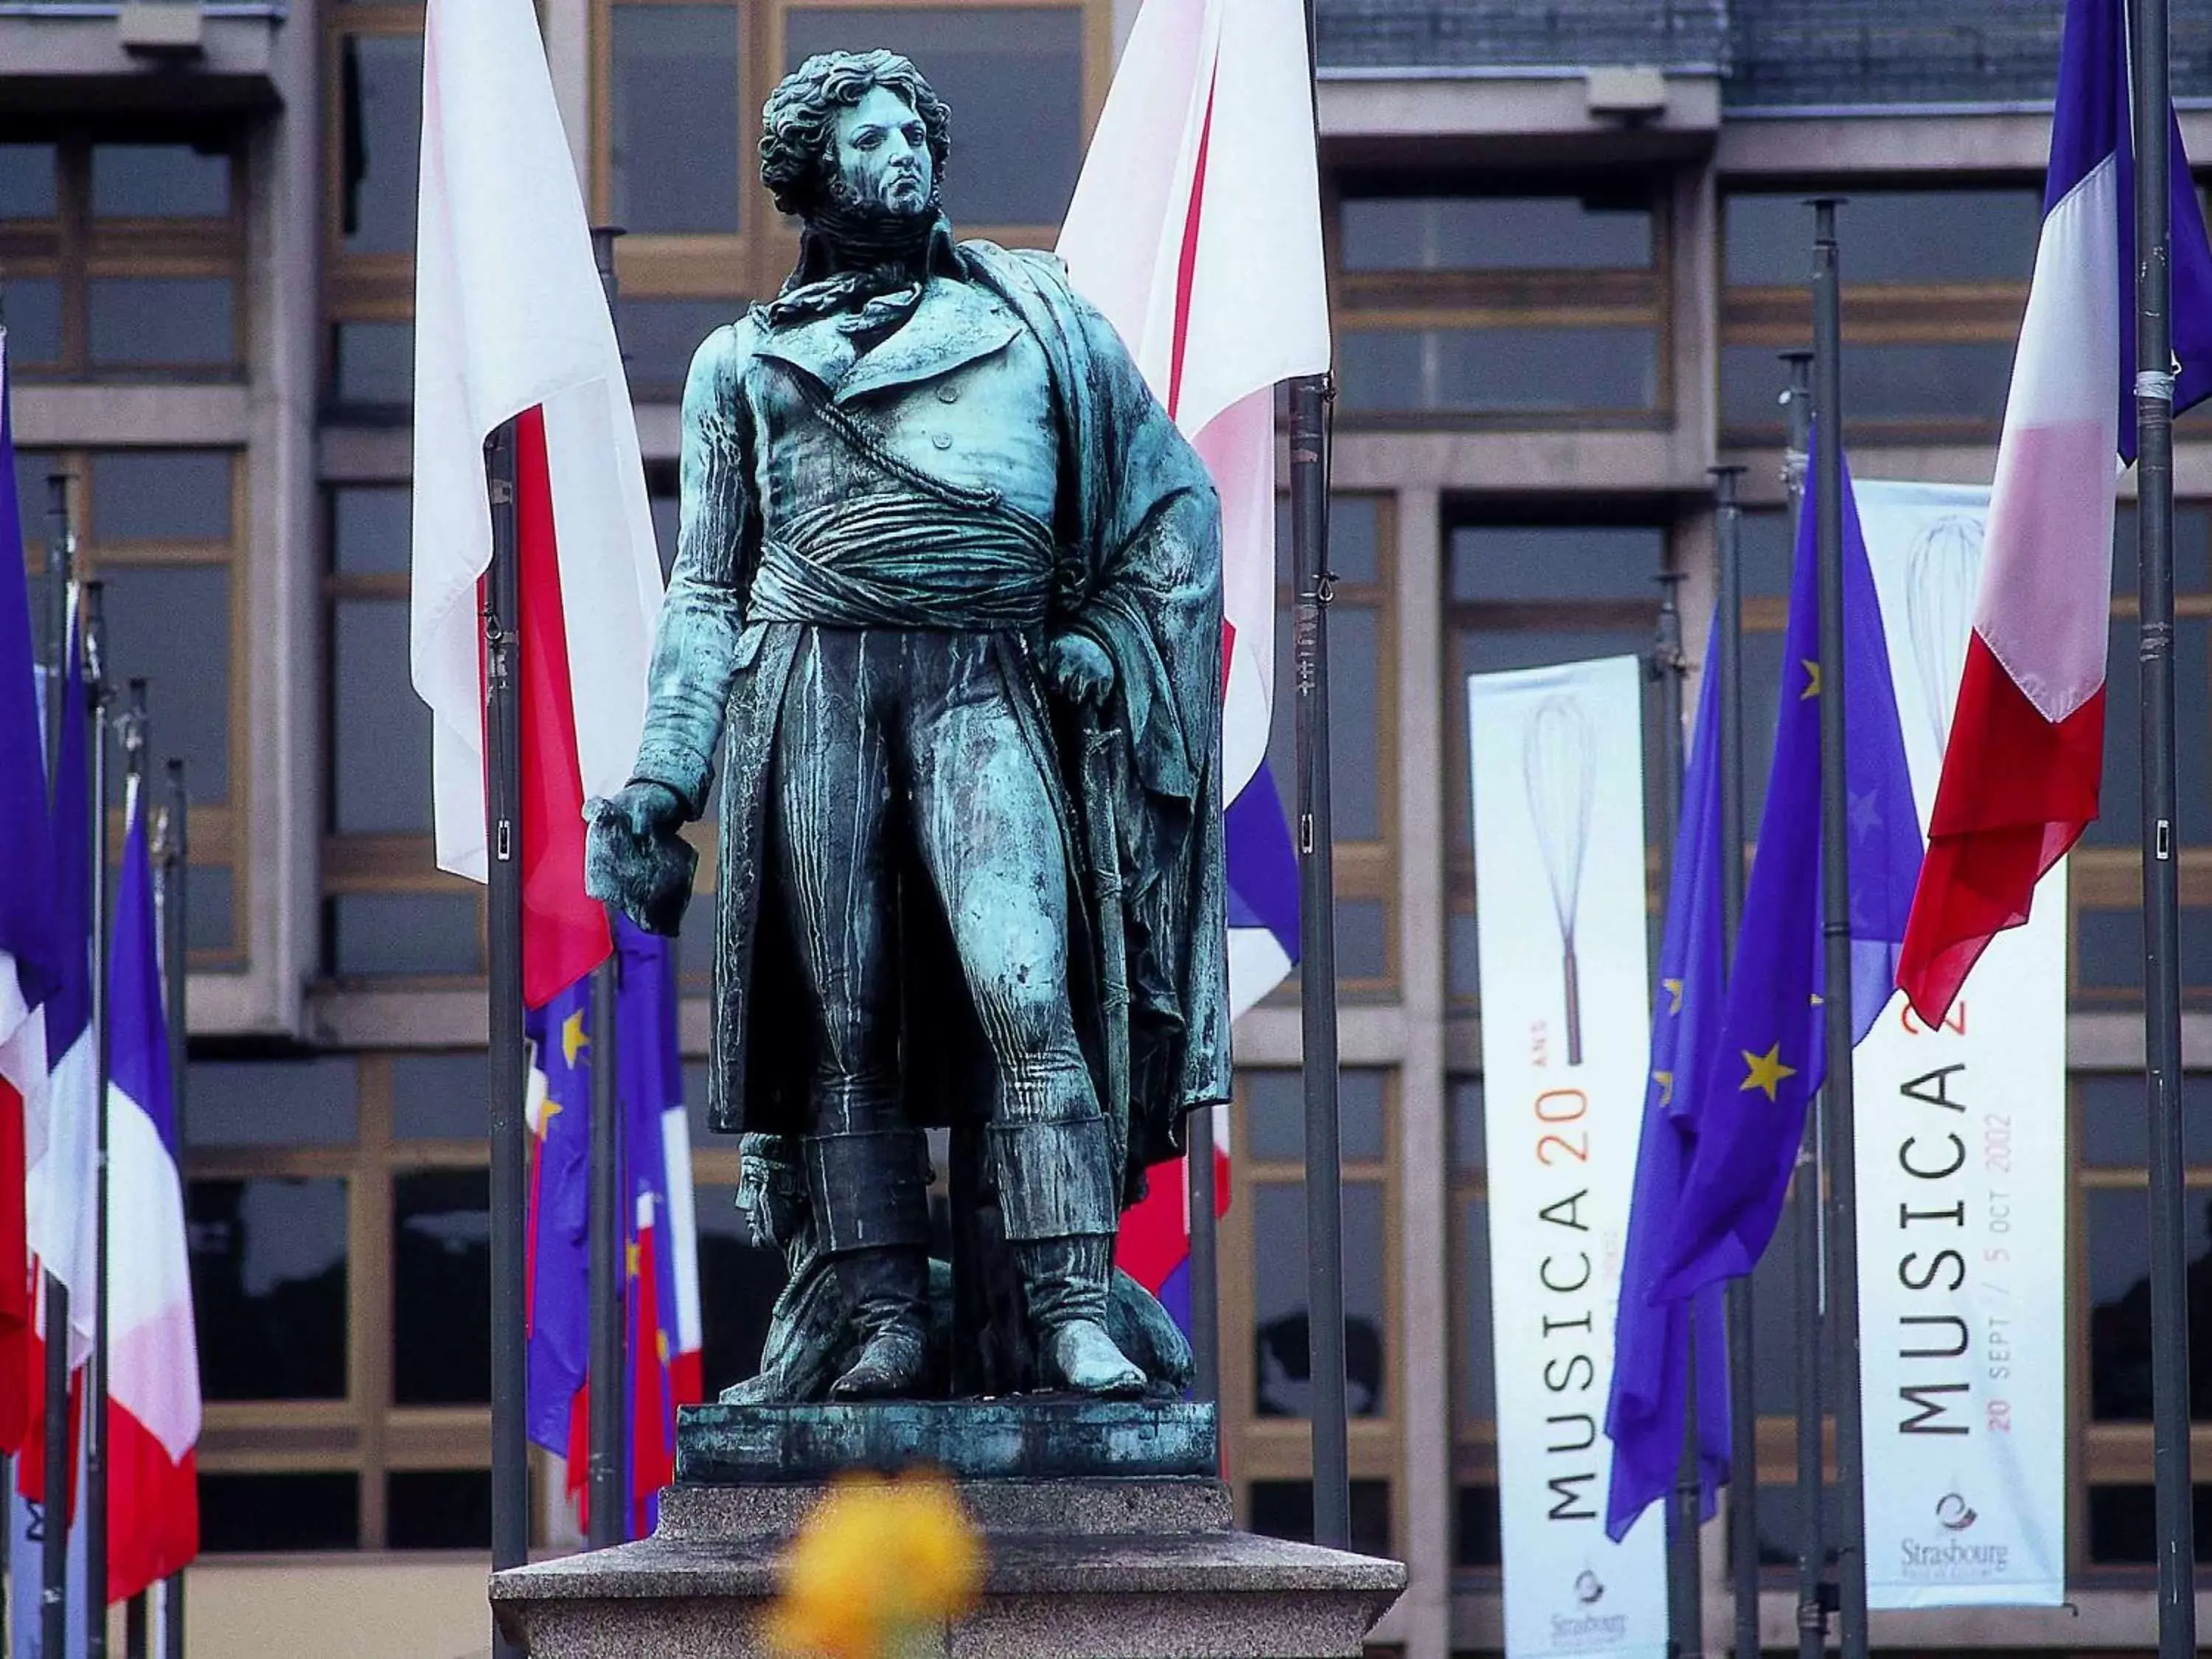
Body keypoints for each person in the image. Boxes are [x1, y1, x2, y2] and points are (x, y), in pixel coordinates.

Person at [587, 49, 1230, 1401]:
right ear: (813, 170)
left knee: (1026, 989)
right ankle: (880, 1312)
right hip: (813, 680)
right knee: (847, 1019)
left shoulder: (1043, 323)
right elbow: (705, 589)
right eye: (869, 135)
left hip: (983, 683)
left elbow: (1169, 513)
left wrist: (1101, 634)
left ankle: (1070, 1305)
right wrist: (662, 779)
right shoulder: (739, 365)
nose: (903, 152)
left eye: (913, 131)